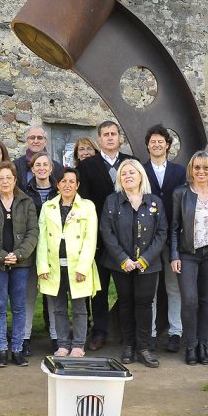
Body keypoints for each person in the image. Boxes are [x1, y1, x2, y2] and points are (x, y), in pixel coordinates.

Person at [99, 159, 167, 367]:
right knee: (126, 303)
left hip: (149, 264)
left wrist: (145, 259)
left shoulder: (154, 201)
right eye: (124, 173)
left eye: (132, 173)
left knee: (145, 304)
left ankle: (144, 347)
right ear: (120, 178)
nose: (128, 176)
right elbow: (107, 232)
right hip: (122, 264)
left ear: (140, 176)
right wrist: (123, 259)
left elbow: (161, 232)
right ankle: (128, 345)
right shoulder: (112, 201)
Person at [77, 120, 137, 351]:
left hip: (129, 239)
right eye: (105, 134)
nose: (110, 138)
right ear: (99, 139)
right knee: (99, 289)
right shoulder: (88, 166)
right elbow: (83, 203)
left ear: (119, 138)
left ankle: (126, 332)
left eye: (114, 134)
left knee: (128, 289)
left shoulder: (130, 163)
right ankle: (99, 331)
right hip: (99, 240)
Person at [0, 162, 39, 367]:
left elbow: (33, 232)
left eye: (8, 177)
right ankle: (2, 349)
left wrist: (19, 254)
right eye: (1, 178)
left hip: (21, 262)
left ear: (15, 179)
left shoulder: (26, 201)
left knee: (19, 307)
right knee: (0, 306)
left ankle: (17, 349)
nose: (5, 181)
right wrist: (1, 255)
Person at [170, 151, 208, 365]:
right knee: (190, 300)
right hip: (188, 254)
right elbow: (174, 227)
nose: (201, 172)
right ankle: (191, 345)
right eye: (197, 168)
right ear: (191, 170)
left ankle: (203, 345)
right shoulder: (181, 193)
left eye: (205, 168)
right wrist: (174, 254)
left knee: (206, 301)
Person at [38, 168, 101, 357]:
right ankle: (63, 344)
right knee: (58, 308)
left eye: (72, 182)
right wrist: (42, 266)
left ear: (78, 185)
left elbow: (91, 239)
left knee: (80, 308)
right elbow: (42, 239)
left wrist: (83, 267)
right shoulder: (48, 207)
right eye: (63, 181)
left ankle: (78, 345)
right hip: (54, 265)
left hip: (77, 266)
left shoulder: (87, 207)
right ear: (57, 184)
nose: (67, 185)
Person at [141, 124, 186, 352]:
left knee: (173, 287)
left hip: (173, 237)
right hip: (148, 239)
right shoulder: (140, 170)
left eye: (161, 141)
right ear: (147, 145)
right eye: (153, 141)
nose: (157, 145)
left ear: (168, 145)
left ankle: (175, 332)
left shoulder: (179, 172)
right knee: (149, 288)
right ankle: (148, 333)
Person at [20, 151, 60, 354]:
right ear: (32, 169)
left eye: (45, 165)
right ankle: (25, 337)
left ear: (51, 169)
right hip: (30, 247)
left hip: (53, 248)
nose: (42, 168)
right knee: (28, 294)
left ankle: (55, 336)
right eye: (38, 165)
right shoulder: (25, 191)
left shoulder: (59, 191)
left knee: (53, 293)